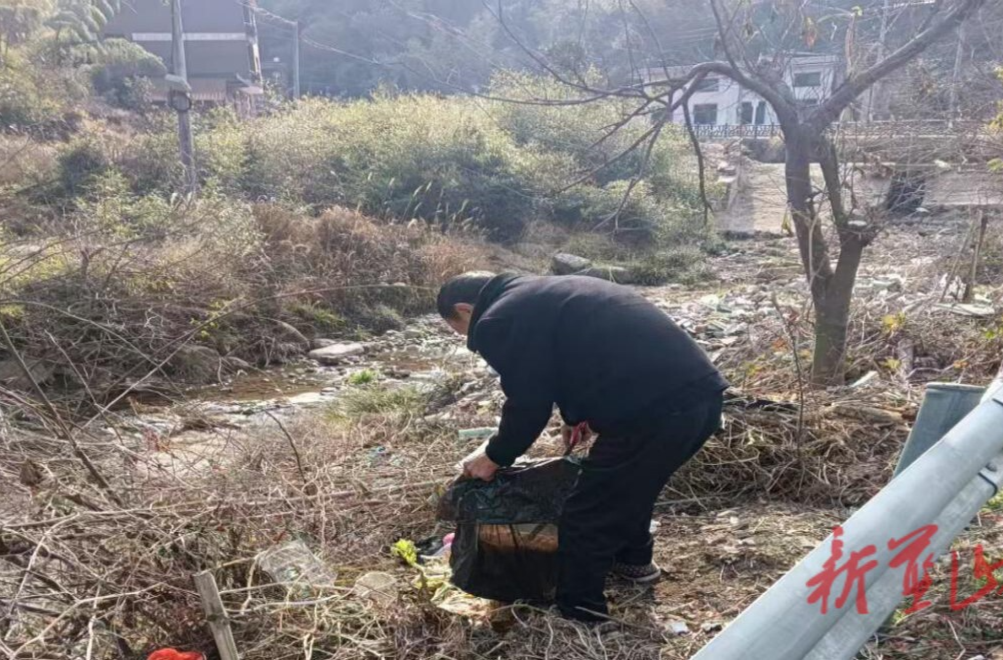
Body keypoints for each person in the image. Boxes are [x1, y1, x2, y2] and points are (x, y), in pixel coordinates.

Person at [437, 271, 727, 622]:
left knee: (587, 512)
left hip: (654, 411)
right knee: (631, 485)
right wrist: (576, 415)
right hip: (702, 400)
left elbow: (529, 402)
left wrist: (494, 455)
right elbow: (576, 358)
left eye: (465, 333)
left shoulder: (497, 318)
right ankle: (633, 563)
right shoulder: (543, 292)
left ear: (465, 309)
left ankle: (581, 609)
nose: (475, 340)